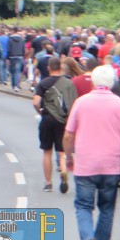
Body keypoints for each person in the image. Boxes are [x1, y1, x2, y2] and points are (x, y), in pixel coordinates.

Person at [63, 65, 120, 240]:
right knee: (107, 208)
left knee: (84, 206)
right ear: (111, 82)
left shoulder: (81, 102)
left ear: (94, 82)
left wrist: (69, 156)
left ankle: (88, 239)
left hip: (85, 163)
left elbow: (68, 135)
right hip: (111, 164)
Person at [33, 57, 78, 193]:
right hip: (63, 120)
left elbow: (35, 102)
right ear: (60, 67)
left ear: (48, 68)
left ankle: (48, 183)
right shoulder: (68, 83)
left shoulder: (43, 83)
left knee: (47, 151)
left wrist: (40, 112)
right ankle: (63, 170)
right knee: (62, 150)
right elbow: (73, 104)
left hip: (47, 119)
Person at [7, 26, 25, 92]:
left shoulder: (10, 39)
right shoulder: (22, 39)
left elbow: (8, 49)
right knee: (17, 71)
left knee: (12, 71)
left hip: (12, 56)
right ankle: (16, 86)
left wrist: (7, 58)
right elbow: (23, 48)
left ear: (13, 31)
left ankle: (13, 84)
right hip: (19, 56)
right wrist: (23, 55)